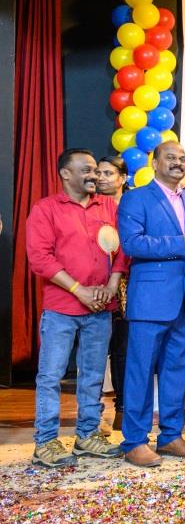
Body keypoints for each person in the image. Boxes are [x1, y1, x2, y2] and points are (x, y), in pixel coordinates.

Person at [118, 142, 185, 467]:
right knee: (140, 373)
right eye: (170, 158)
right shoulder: (136, 198)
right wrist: (183, 242)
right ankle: (135, 440)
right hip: (150, 301)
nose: (177, 163)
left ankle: (171, 436)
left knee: (176, 371)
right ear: (155, 162)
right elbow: (132, 243)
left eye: (181, 158)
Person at [26, 149, 127, 468]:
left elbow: (122, 251)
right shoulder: (45, 209)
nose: (94, 175)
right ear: (65, 174)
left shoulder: (108, 206)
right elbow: (40, 258)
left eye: (95, 169)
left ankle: (87, 436)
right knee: (51, 375)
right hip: (62, 309)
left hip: (101, 307)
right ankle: (45, 441)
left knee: (93, 375)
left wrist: (111, 285)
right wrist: (79, 290)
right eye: (86, 169)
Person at [96, 155, 129, 432]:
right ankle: (93, 413)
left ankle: (122, 409)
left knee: (122, 349)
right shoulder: (90, 205)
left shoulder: (131, 205)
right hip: (93, 284)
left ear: (123, 178)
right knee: (94, 349)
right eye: (99, 173)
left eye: (108, 173)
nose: (102, 178)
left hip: (126, 285)